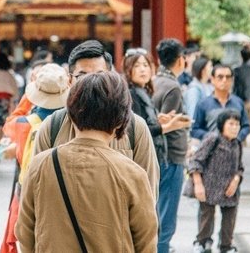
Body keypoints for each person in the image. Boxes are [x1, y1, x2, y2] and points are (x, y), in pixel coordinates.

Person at [15, 71, 158, 252]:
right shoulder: (133, 174)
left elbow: (24, 230)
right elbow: (146, 243)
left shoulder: (40, 165)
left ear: (71, 113)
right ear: (121, 121)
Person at [32, 40, 160, 196]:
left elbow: (148, 192)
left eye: (99, 76)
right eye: (82, 76)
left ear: (111, 77)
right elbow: (36, 189)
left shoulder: (134, 127)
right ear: (70, 81)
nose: (91, 84)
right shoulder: (52, 127)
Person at [0, 63, 70, 253]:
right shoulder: (74, 123)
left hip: (30, 193)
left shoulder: (24, 124)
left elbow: (8, 125)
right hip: (65, 193)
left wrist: (27, 98)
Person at [152, 38, 192, 253]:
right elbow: (166, 122)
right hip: (170, 155)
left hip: (157, 156)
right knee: (166, 217)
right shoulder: (173, 87)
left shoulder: (154, 81)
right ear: (180, 60)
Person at [189, 109, 243, 253]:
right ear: (222, 124)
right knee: (206, 218)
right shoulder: (213, 139)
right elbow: (195, 161)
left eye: (237, 124)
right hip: (209, 187)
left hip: (229, 190)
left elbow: (240, 167)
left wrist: (236, 179)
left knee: (230, 219)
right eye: (231, 124)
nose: (235, 127)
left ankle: (226, 246)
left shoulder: (237, 143)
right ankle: (202, 242)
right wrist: (198, 184)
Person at [123, 48, 189, 164]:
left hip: (151, 155)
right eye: (137, 66)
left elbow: (144, 120)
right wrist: (168, 127)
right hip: (140, 159)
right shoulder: (131, 93)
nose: (142, 69)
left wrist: (158, 119)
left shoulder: (144, 91)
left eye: (145, 65)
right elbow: (138, 130)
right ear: (128, 69)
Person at [191, 64, 250, 144]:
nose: (224, 80)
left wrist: (238, 138)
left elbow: (246, 126)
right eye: (220, 77)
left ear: (232, 80)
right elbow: (195, 130)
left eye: (228, 77)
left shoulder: (238, 102)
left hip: (233, 150)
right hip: (210, 150)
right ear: (212, 79)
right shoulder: (203, 104)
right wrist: (211, 137)